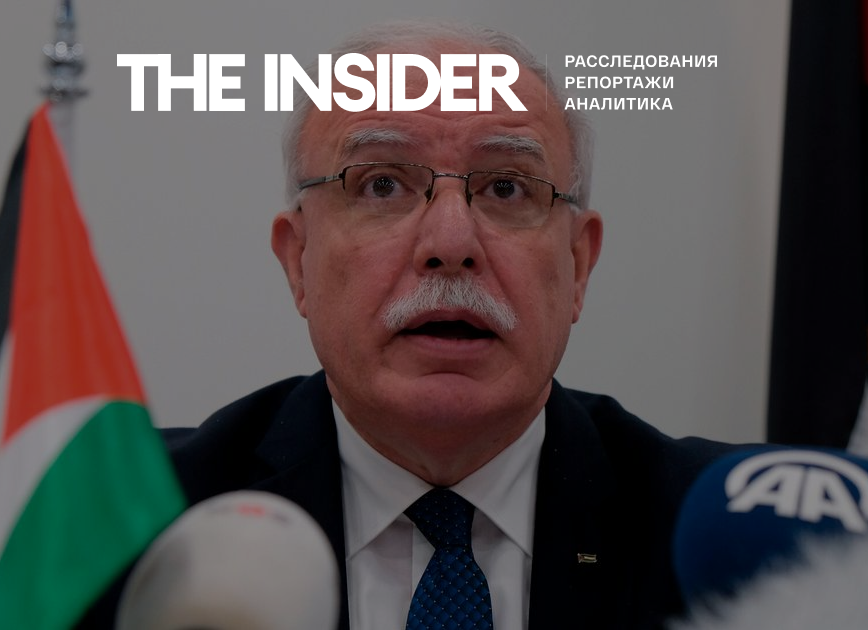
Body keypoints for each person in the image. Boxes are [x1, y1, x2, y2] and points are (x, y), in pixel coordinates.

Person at [86, 20, 736, 630]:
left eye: (507, 188)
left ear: (578, 264)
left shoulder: (738, 546)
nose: (450, 244)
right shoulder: (122, 532)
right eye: (381, 185)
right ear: (298, 260)